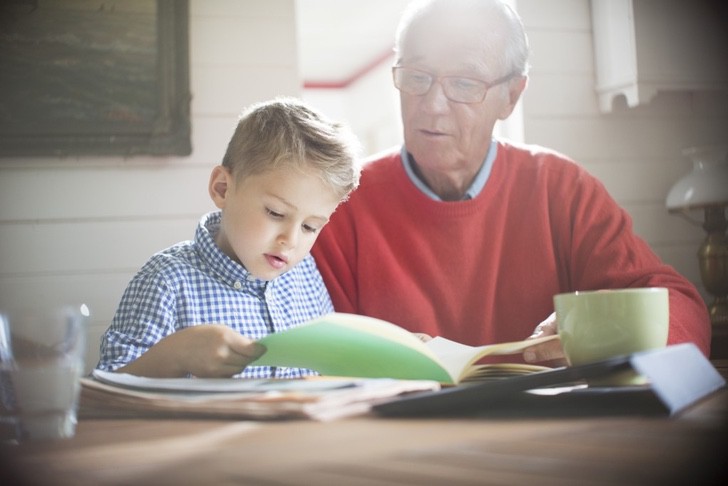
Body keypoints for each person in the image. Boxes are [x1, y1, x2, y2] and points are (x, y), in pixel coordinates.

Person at [311, 0, 711, 364]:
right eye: (417, 77)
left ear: (511, 97)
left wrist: (622, 330)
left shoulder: (562, 189)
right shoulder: (338, 203)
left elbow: (679, 304)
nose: (432, 105)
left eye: (464, 84)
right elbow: (310, 347)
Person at [97, 98, 361, 378]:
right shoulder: (167, 280)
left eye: (310, 227)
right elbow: (103, 395)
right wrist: (175, 355)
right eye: (275, 212)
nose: (291, 240)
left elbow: (328, 371)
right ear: (222, 189)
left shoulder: (306, 275)